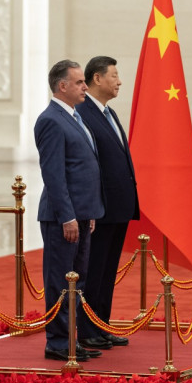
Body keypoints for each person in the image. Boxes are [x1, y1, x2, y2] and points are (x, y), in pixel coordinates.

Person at [35, 59, 105, 362]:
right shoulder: (51, 120)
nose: (85, 87)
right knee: (61, 282)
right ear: (62, 86)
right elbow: (53, 175)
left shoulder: (74, 117)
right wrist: (68, 216)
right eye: (79, 82)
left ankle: (73, 338)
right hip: (62, 218)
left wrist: (88, 213)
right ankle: (58, 342)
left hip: (81, 215)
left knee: (78, 281)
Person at [76, 56, 139, 350]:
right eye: (114, 75)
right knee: (94, 270)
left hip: (117, 208)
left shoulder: (108, 113)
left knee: (107, 271)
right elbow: (88, 165)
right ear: (97, 79)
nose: (119, 81)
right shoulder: (83, 113)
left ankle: (102, 326)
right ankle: (88, 330)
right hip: (98, 211)